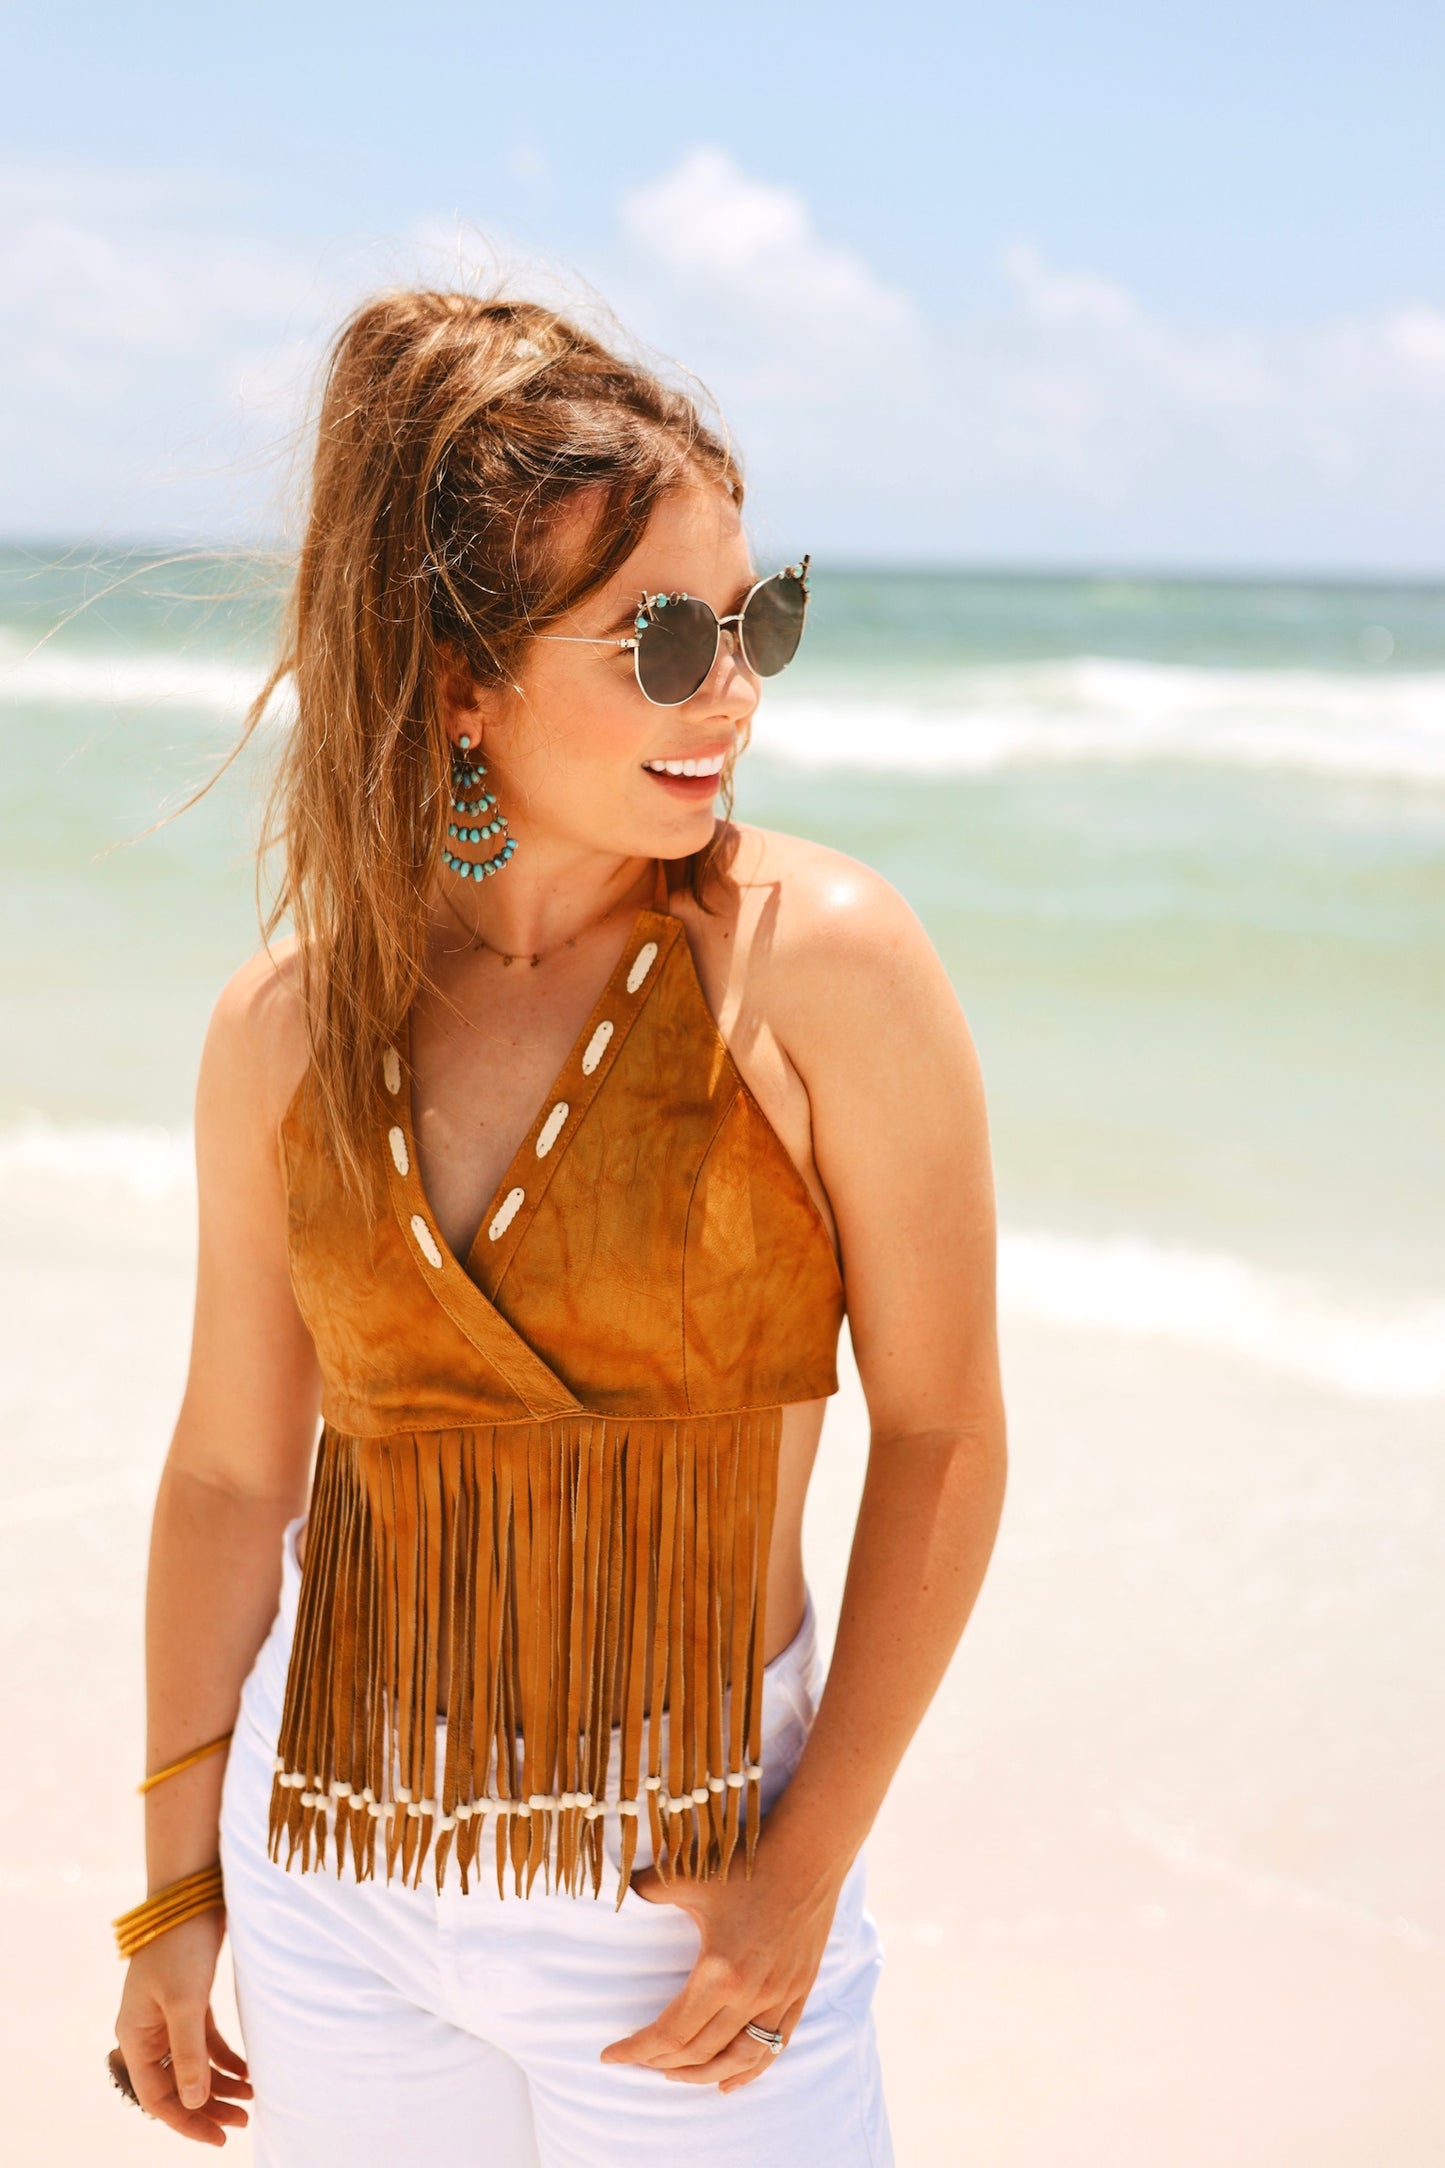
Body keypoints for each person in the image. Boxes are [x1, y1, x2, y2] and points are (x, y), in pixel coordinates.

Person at [109, 289, 1008, 2164]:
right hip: (331, 1883)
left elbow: (941, 1433)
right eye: (663, 639)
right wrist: (174, 1901)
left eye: (759, 620)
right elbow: (227, 1475)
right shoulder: (290, 1027)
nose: (731, 690)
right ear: (462, 679)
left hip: (685, 1901)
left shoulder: (816, 963)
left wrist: (800, 1878)